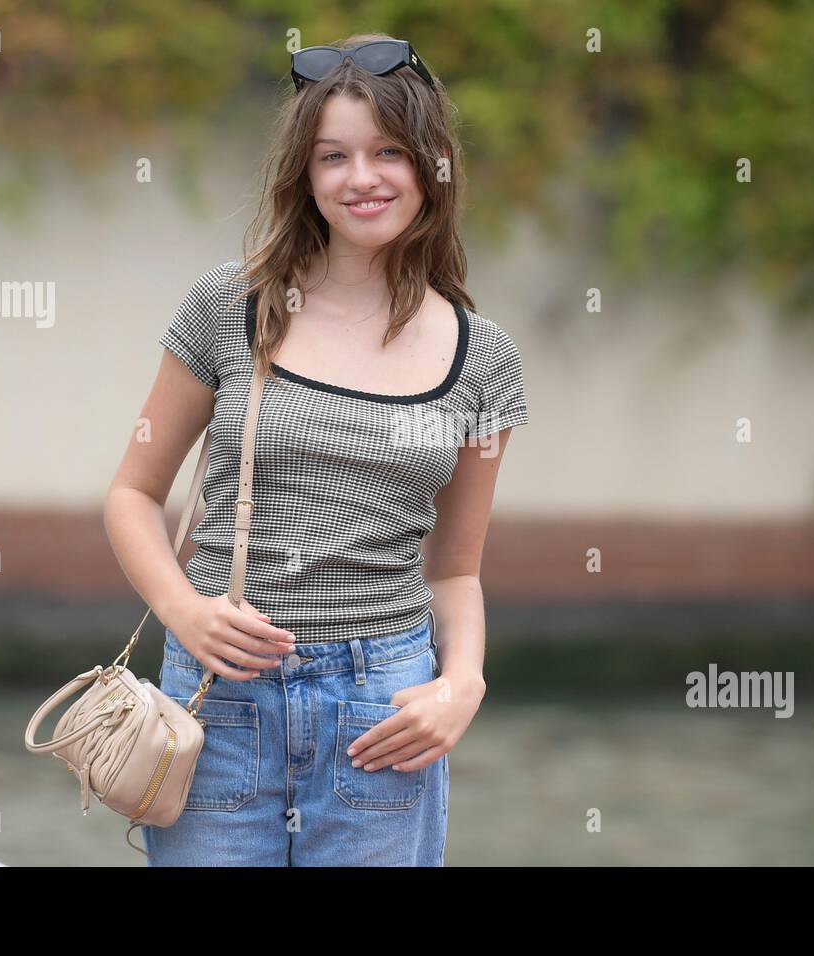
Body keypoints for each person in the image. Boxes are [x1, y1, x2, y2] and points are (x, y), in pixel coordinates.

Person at [103, 33, 530, 866]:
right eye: (333, 156)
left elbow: (456, 570)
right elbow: (131, 495)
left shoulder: (484, 360)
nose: (361, 178)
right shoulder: (233, 307)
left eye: (388, 153)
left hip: (384, 709)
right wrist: (186, 615)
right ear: (305, 174)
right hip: (217, 701)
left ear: (432, 166)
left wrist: (463, 683)